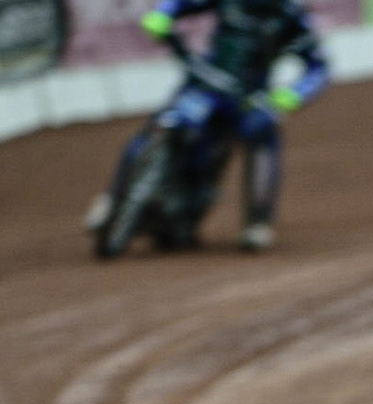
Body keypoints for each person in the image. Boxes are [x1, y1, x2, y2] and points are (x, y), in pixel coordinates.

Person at [86, 0, 328, 252]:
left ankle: (258, 222)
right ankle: (112, 199)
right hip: (206, 82)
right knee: (161, 122)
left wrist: (292, 95)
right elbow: (183, 3)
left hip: (247, 98)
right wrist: (163, 15)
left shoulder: (290, 15)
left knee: (262, 131)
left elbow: (318, 67)